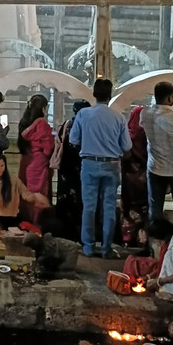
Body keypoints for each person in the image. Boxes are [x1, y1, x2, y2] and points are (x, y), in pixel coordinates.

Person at [69, 78, 131, 258]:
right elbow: (126, 146)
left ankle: (88, 246)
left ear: (94, 94)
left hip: (89, 163)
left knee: (89, 206)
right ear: (110, 95)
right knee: (109, 207)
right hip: (112, 165)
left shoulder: (83, 114)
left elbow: (73, 140)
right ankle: (106, 248)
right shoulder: (118, 117)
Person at [140, 82, 173, 230]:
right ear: (171, 99)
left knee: (155, 211)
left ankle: (156, 245)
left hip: (155, 168)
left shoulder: (144, 114)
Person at [0, 152, 49, 228]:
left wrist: (36, 198)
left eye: (2, 166)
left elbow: (26, 195)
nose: (0, 169)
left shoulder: (14, 180)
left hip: (10, 219)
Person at [53, 100, 89, 242]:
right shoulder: (85, 127)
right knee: (78, 200)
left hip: (64, 168)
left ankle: (62, 232)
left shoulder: (66, 124)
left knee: (64, 198)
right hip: (79, 168)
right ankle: (76, 234)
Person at [119, 106, 149, 246]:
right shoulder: (149, 134)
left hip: (129, 183)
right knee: (144, 209)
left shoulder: (127, 135)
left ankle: (127, 238)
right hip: (145, 181)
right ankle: (143, 238)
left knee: (128, 209)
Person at [17, 94, 53, 198]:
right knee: (39, 195)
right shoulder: (43, 125)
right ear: (43, 109)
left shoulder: (23, 123)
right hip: (39, 163)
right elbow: (48, 149)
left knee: (26, 193)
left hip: (25, 161)